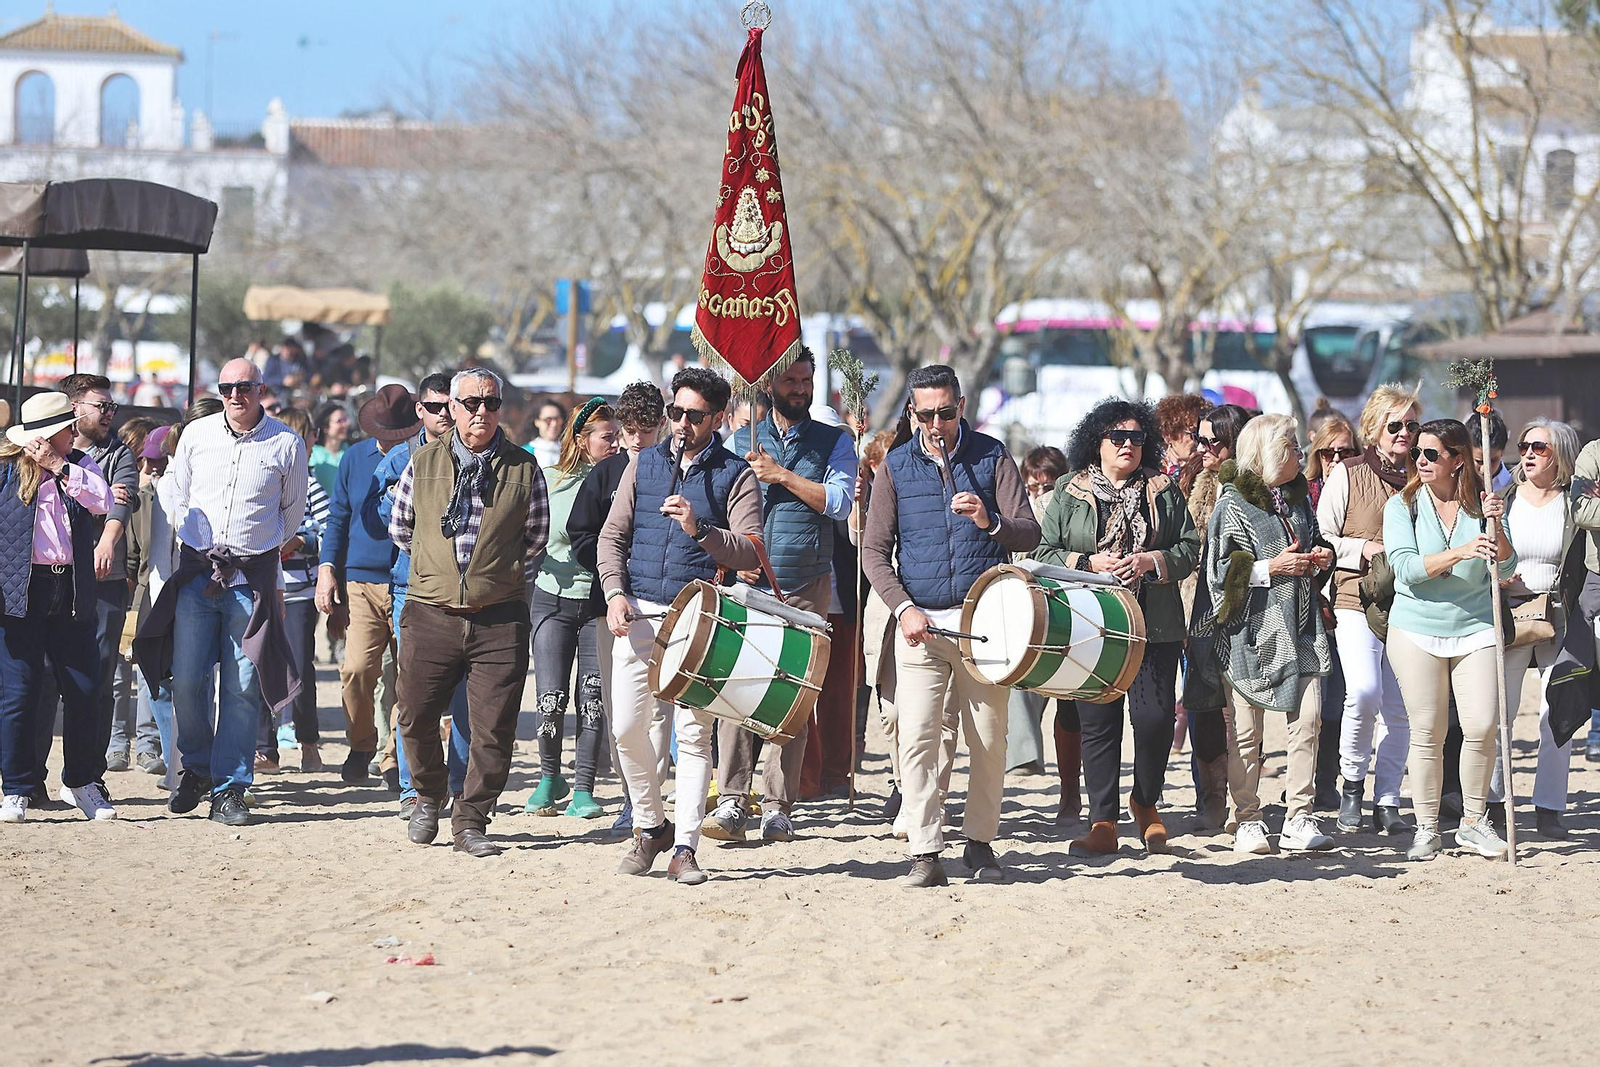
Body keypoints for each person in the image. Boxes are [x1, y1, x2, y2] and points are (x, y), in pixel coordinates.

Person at [861, 364, 1041, 887]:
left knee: (988, 740)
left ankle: (980, 842)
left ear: (961, 406)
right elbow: (874, 553)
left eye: (945, 411)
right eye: (925, 414)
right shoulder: (894, 467)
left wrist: (990, 521)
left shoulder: (993, 456)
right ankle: (925, 851)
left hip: (986, 626)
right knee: (915, 738)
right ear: (913, 414)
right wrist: (902, 608)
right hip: (919, 627)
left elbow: (1028, 533)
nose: (936, 423)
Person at [598, 366, 764, 886]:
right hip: (639, 611)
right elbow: (612, 536)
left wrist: (700, 528)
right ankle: (651, 824)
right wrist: (613, 592)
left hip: (701, 616)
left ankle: (685, 848)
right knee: (626, 728)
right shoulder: (641, 464)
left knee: (695, 736)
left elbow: (752, 551)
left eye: (693, 415)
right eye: (676, 412)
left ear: (717, 418)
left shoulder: (737, 473)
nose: (681, 423)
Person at [132, 359, 308, 826]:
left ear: (261, 389)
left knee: (243, 688)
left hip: (249, 580)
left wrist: (259, 550)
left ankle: (230, 786)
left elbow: (292, 513)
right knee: (187, 681)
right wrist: (198, 540)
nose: (234, 394)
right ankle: (197, 766)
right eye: (226, 386)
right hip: (197, 573)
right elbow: (177, 494)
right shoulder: (197, 434)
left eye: (243, 386)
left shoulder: (287, 443)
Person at [390, 368, 549, 858]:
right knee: (415, 715)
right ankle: (427, 795)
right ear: (451, 408)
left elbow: (536, 538)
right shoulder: (422, 462)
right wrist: (438, 571)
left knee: (494, 726)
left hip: (499, 615)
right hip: (430, 611)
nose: (482, 412)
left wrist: (491, 572)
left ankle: (472, 819)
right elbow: (402, 529)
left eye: (492, 403)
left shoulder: (524, 467)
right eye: (472, 403)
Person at [704, 351, 857, 843]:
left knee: (793, 698)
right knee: (737, 690)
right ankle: (731, 799)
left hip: (805, 585)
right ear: (769, 384)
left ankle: (778, 805)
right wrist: (732, 561)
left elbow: (838, 502)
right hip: (748, 584)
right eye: (790, 379)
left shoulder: (835, 441)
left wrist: (784, 477)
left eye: (806, 380)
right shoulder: (739, 441)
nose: (799, 388)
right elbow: (720, 503)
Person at [1037, 398, 1199, 856]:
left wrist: (1152, 560)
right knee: (1098, 723)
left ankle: (1145, 804)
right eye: (1118, 437)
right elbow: (1045, 552)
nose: (1129, 445)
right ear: (1098, 442)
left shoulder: (1163, 488)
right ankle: (1102, 820)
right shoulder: (1069, 491)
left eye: (1137, 438)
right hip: (1092, 622)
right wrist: (1088, 561)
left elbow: (1189, 548)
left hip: (1155, 623)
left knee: (1153, 720)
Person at [1200, 415, 1335, 854]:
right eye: (1293, 445)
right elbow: (1219, 575)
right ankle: (1248, 818)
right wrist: (1272, 568)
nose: (1301, 453)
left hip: (1300, 625)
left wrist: (1321, 556)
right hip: (1248, 633)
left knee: (1309, 719)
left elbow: (1312, 541)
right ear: (1270, 452)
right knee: (1245, 733)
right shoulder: (1233, 503)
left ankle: (1299, 815)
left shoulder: (1297, 500)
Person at [1383, 418, 1515, 861]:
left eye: (1431, 454)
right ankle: (1426, 828)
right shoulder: (1402, 506)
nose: (1419, 460)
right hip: (1415, 627)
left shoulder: (1482, 504)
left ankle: (1475, 822)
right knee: (1428, 731)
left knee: (1481, 725)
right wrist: (1461, 551)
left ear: (1457, 459)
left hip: (1475, 624)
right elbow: (1406, 568)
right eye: (1417, 453)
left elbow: (1506, 564)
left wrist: (1496, 525)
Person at [0, 392, 115, 823]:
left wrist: (60, 467)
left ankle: (83, 782)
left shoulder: (79, 468)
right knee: (19, 694)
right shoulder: (7, 472)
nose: (75, 433)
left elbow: (104, 503)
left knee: (84, 690)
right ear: (50, 434)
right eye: (68, 428)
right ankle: (16, 787)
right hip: (19, 593)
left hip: (71, 592)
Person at [1316, 385, 1419, 835]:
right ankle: (1352, 786)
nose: (1405, 433)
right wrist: (1365, 548)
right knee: (1362, 691)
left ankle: (1388, 798)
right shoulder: (1348, 473)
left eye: (1412, 426)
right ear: (1375, 428)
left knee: (1402, 708)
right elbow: (1322, 538)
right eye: (1395, 425)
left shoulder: (1426, 475)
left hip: (1412, 605)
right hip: (1356, 599)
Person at [568, 381, 670, 836]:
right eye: (628, 429)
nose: (635, 439)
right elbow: (581, 534)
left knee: (663, 712)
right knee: (621, 711)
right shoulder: (605, 475)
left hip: (669, 604)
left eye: (646, 430)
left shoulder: (674, 470)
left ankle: (651, 806)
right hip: (613, 607)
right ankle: (632, 798)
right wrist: (615, 574)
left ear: (661, 427)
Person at [377, 373, 472, 818]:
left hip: (474, 593)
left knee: (469, 697)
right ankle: (412, 790)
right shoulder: (401, 458)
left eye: (447, 406)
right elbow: (387, 518)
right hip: (411, 586)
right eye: (433, 407)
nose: (442, 414)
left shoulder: (485, 454)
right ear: (420, 410)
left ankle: (460, 787)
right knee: (414, 692)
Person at [1486, 419, 1584, 838]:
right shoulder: (1503, 499)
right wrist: (1495, 575)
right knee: (1498, 712)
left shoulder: (1574, 505)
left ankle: (1549, 806)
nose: (1527, 454)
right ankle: (1491, 804)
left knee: (1555, 711)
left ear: (1559, 454)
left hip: (1558, 615)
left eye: (1539, 448)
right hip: (1508, 615)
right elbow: (1483, 550)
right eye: (1524, 446)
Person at [315, 385, 418, 783]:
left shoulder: (424, 458)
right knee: (357, 669)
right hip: (361, 580)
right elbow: (338, 518)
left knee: (405, 676)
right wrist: (328, 569)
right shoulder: (355, 459)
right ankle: (361, 743)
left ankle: (393, 757)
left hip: (410, 578)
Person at [524, 397, 619, 819]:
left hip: (598, 604)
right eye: (607, 437)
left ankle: (583, 788)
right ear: (582, 441)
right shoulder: (548, 481)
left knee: (593, 697)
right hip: (551, 598)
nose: (615, 444)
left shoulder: (622, 481)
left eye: (617, 436)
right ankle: (549, 778)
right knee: (550, 696)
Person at [50, 375, 140, 786]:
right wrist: (102, 495)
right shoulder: (45, 447)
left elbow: (122, 504)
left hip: (104, 577)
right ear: (74, 409)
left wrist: (105, 542)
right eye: (100, 406)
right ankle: (30, 777)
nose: (108, 414)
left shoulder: (119, 453)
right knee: (43, 678)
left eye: (111, 407)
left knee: (100, 675)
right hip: (50, 577)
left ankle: (91, 774)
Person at [1181, 403, 1253, 832]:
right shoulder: (1188, 479)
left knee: (1239, 712)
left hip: (1243, 609)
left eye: (1215, 442)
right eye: (1200, 438)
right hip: (1197, 608)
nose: (1204, 448)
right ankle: (1210, 798)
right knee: (1203, 706)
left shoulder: (1251, 488)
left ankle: (1240, 801)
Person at [255, 407, 330, 774]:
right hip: (261, 586)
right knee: (257, 665)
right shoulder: (261, 478)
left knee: (300, 668)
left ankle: (309, 743)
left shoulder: (312, 486)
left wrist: (300, 540)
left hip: (300, 591)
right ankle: (264, 748)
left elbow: (329, 530)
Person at [1006, 447, 1079, 815]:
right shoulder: (1019, 508)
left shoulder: (1068, 504)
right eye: (1032, 483)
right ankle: (1025, 754)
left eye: (1046, 483)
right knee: (1021, 686)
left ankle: (1071, 795)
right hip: (1029, 611)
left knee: (1070, 708)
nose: (1039, 490)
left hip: (1068, 611)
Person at [1304, 410, 1359, 809]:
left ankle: (1327, 781)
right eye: (1328, 452)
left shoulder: (1361, 487)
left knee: (1339, 699)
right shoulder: (1302, 493)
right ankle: (1306, 781)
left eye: (1345, 451)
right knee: (1311, 704)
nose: (1336, 459)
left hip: (1349, 603)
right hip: (1309, 607)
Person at [125, 425, 180, 790]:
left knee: (193, 682)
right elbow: (133, 558)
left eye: (162, 461)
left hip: (190, 595)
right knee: (155, 680)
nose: (156, 468)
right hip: (149, 598)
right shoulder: (141, 499)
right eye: (153, 462)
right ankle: (173, 753)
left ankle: (182, 756)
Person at [1154, 393, 1207, 482]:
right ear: (1168, 435)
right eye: (1194, 433)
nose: (1199, 441)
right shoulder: (1152, 472)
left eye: (1202, 435)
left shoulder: (1207, 472)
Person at [310, 401, 351, 497]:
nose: (345, 424)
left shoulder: (350, 451)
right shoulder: (312, 454)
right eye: (339, 421)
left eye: (345, 420)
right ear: (325, 427)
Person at [1470, 409, 1513, 494]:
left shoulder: (1515, 484)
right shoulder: (1456, 485)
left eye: (1492, 461)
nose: (1484, 470)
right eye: (1479, 461)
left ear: (1502, 451)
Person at [529, 399, 567, 469]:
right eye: (548, 420)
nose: (554, 424)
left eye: (558, 419)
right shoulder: (526, 452)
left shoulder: (568, 452)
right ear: (537, 422)